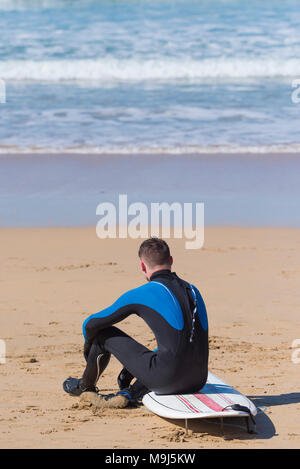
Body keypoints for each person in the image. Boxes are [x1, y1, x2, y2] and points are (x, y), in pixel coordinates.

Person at [63, 237, 209, 408]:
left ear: (142, 265)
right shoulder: (194, 291)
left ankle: (85, 386)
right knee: (171, 350)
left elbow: (90, 324)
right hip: (198, 379)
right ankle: (130, 392)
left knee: (103, 333)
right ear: (170, 261)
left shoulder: (144, 292)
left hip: (167, 381)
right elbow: (183, 343)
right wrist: (132, 368)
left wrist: (90, 348)